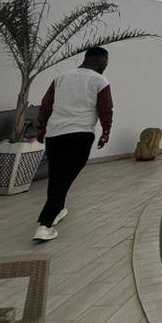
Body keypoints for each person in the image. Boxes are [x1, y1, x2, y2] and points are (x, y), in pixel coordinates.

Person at [33, 46, 113, 242]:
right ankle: (45, 224)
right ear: (99, 60)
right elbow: (105, 109)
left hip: (55, 135)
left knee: (57, 175)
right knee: (64, 178)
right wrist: (106, 132)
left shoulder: (61, 77)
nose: (106, 65)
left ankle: (58, 209)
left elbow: (46, 104)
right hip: (80, 135)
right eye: (105, 62)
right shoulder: (100, 80)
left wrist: (41, 128)